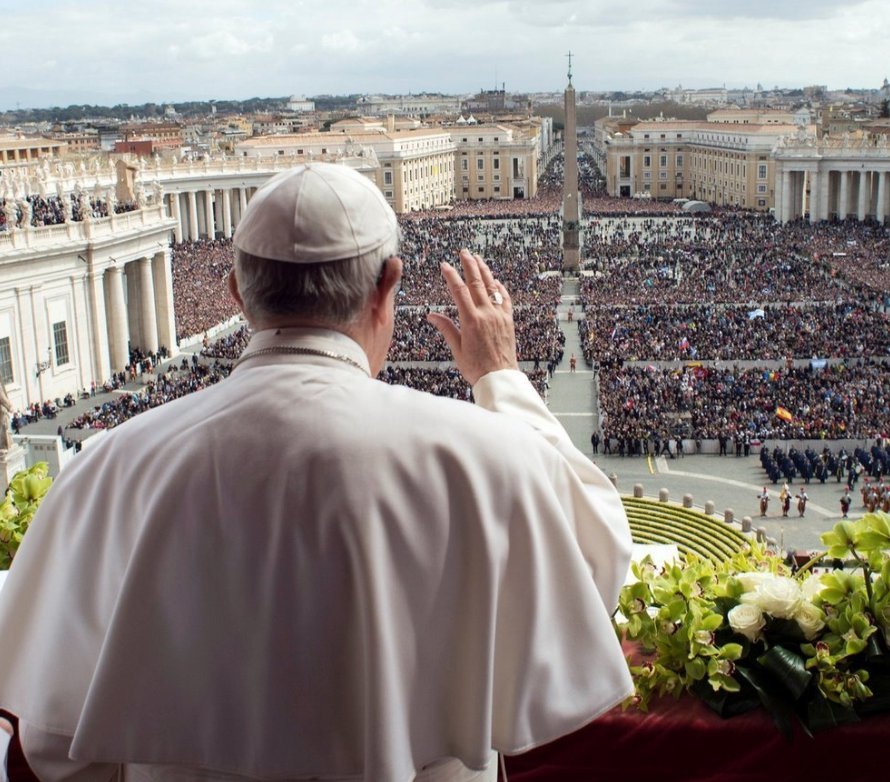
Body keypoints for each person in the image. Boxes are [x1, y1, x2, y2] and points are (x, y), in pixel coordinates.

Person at [0, 163, 633, 782]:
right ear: (388, 285)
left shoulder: (111, 468)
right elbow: (598, 564)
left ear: (237, 294)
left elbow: (55, 739)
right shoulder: (486, 457)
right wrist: (502, 379)